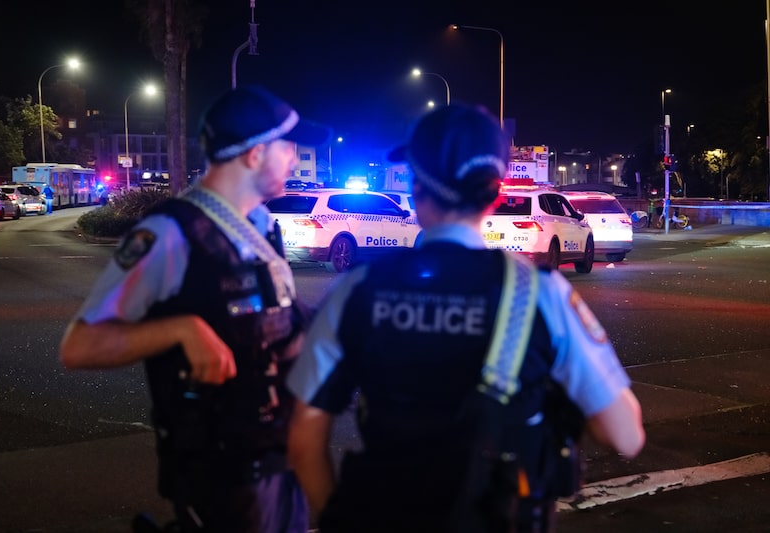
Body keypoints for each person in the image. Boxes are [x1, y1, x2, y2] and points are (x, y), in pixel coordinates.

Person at [285, 103, 645, 533]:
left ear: (417, 190)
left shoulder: (356, 289)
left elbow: (303, 441)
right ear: (496, 194)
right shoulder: (540, 294)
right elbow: (626, 435)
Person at [60, 85, 331, 532]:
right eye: (288, 146)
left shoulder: (262, 225)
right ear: (254, 154)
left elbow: (276, 324)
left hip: (281, 466)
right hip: (220, 484)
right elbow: (79, 346)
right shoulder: (169, 234)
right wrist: (179, 329)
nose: (294, 157)